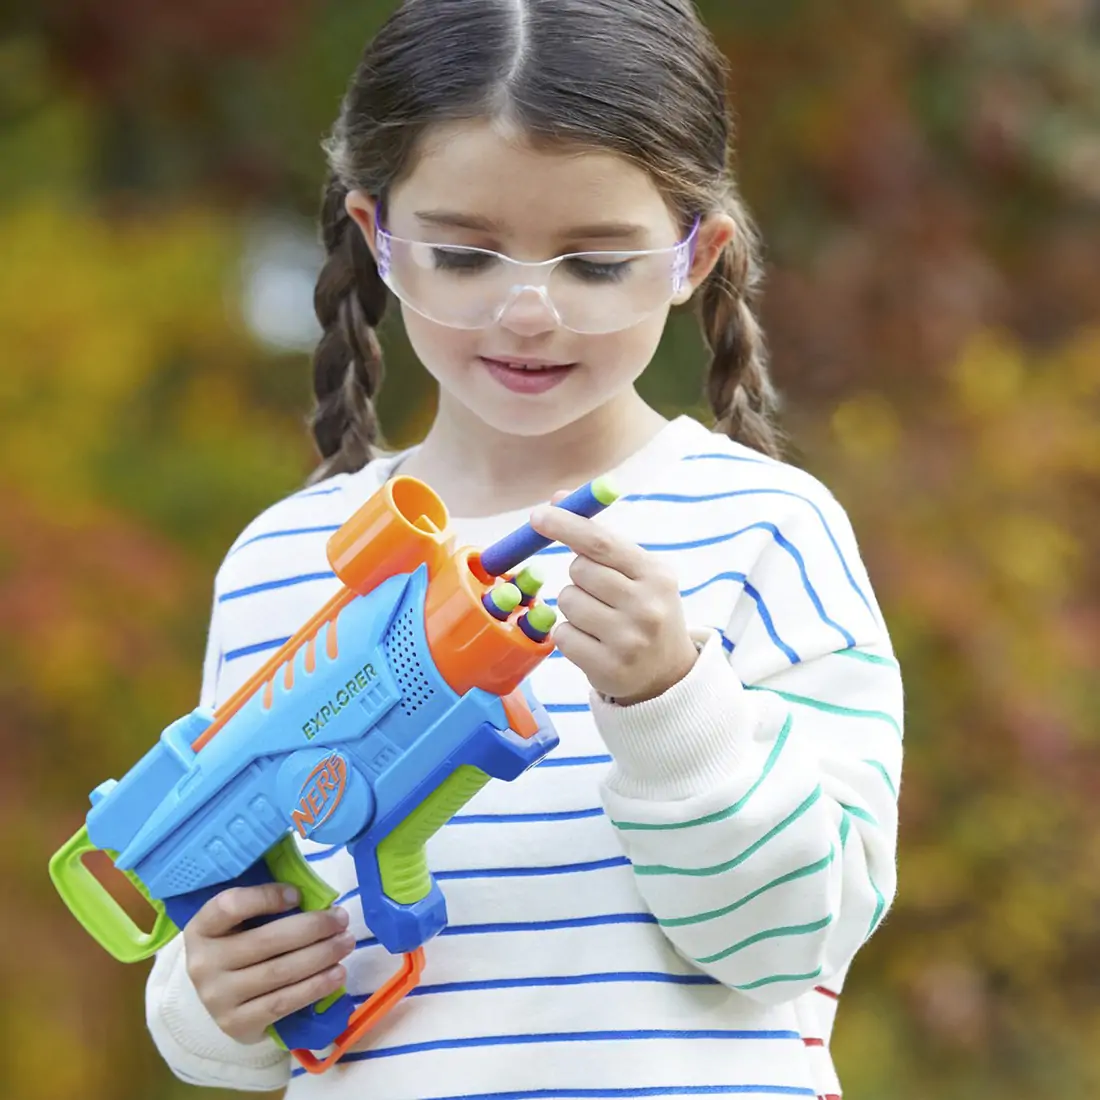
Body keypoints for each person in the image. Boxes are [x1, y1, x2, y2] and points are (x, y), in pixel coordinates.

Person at [145, 1, 903, 1097]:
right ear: (377, 237)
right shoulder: (285, 557)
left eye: (594, 264)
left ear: (695, 254)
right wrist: (209, 999)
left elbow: (786, 943)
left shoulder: (766, 529)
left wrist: (669, 702)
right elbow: (238, 915)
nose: (527, 312)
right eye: (462, 254)